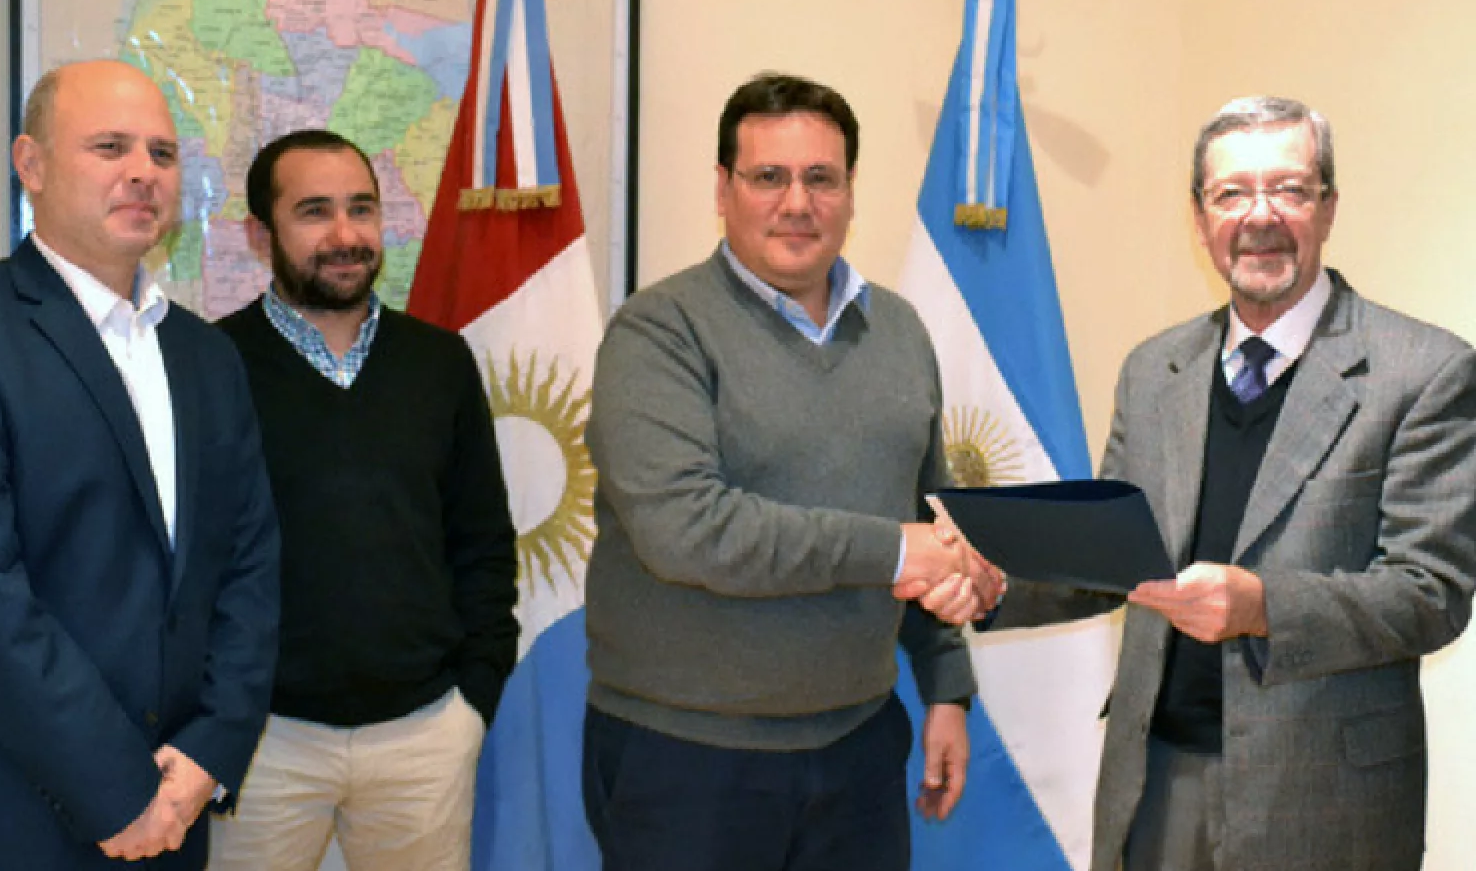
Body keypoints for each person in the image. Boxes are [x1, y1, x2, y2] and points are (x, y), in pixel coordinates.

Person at [986, 96, 1476, 870]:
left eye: (1289, 189)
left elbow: (1430, 592)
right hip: (1155, 780)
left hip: (1324, 796)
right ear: (1199, 216)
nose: (1260, 216)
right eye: (1232, 193)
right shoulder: (1154, 370)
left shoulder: (1425, 372)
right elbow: (1113, 557)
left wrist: (1262, 607)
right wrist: (991, 581)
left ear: (1329, 207)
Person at [0, 59, 282, 869]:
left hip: (174, 804)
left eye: (162, 154)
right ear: (30, 165)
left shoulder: (206, 356)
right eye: (109, 147)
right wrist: (121, 792)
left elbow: (248, 566)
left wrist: (209, 752)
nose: (143, 172)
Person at [581, 72, 991, 871]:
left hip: (860, 748)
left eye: (820, 178)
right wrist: (893, 551)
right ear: (723, 189)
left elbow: (929, 519)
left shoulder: (900, 331)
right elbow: (686, 531)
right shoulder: (658, 332)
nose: (797, 203)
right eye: (769, 176)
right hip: (686, 758)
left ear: (849, 191)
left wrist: (946, 685)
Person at [210, 129, 518, 871]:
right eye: (314, 211)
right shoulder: (211, 365)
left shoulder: (439, 362)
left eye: (362, 208)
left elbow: (482, 542)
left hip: (423, 737)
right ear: (260, 235)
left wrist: (472, 700)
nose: (345, 235)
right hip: (263, 741)